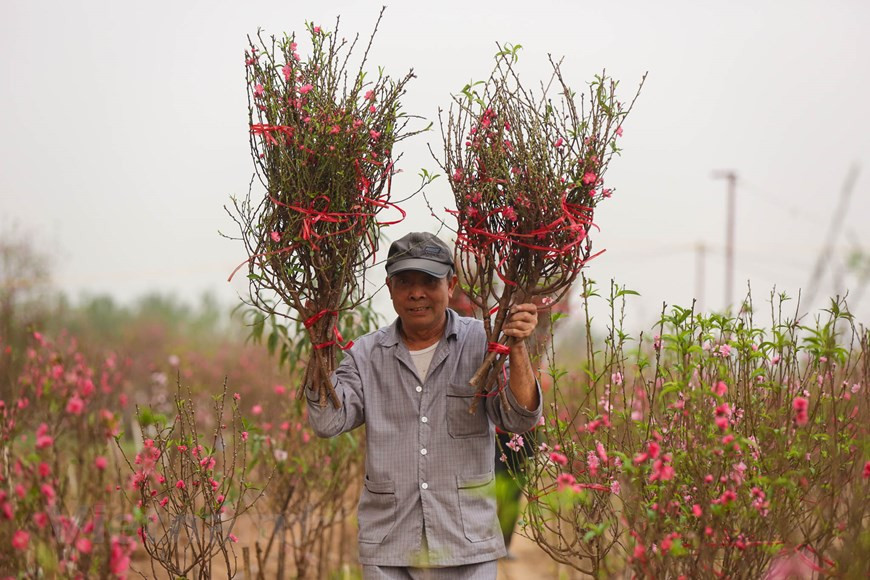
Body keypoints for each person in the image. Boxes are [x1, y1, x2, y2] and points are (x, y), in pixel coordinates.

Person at [306, 231, 543, 580]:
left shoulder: (482, 344)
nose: (416, 293)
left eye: (429, 281)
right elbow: (327, 422)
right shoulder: (365, 356)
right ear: (389, 288)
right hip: (390, 547)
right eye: (405, 282)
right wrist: (319, 345)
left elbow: (519, 417)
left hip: (467, 545)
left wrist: (518, 346)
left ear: (451, 285)